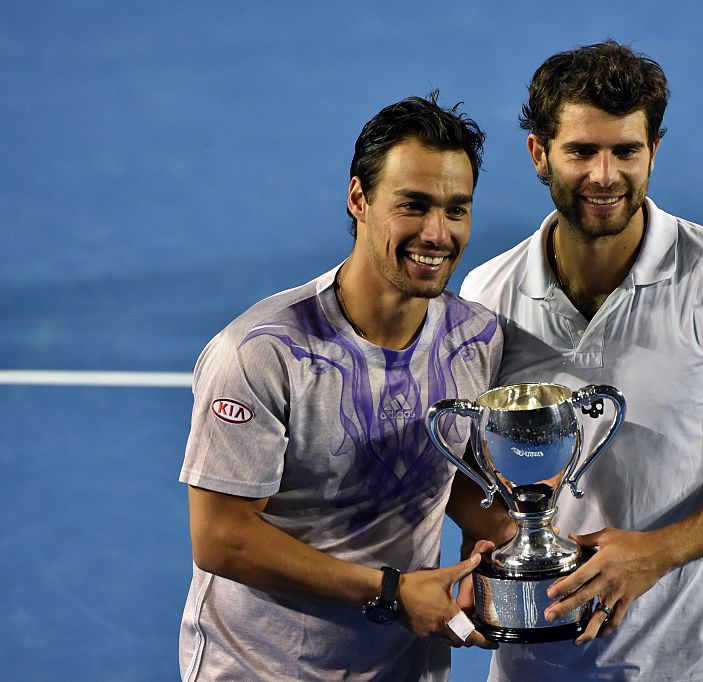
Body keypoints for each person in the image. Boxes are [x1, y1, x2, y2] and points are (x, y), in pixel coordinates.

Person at [459, 41, 703, 681]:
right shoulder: (487, 293)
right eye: (581, 151)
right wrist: (495, 552)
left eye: (626, 151)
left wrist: (657, 553)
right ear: (538, 153)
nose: (605, 175)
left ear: (653, 151)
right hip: (538, 664)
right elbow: (478, 478)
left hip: (695, 664)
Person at [178, 93, 513, 681]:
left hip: (403, 667)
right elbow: (221, 539)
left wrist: (508, 543)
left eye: (457, 209)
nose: (437, 233)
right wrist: (391, 592)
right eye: (413, 205)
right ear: (358, 198)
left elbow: (452, 474)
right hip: (262, 669)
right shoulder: (261, 353)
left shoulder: (475, 336)